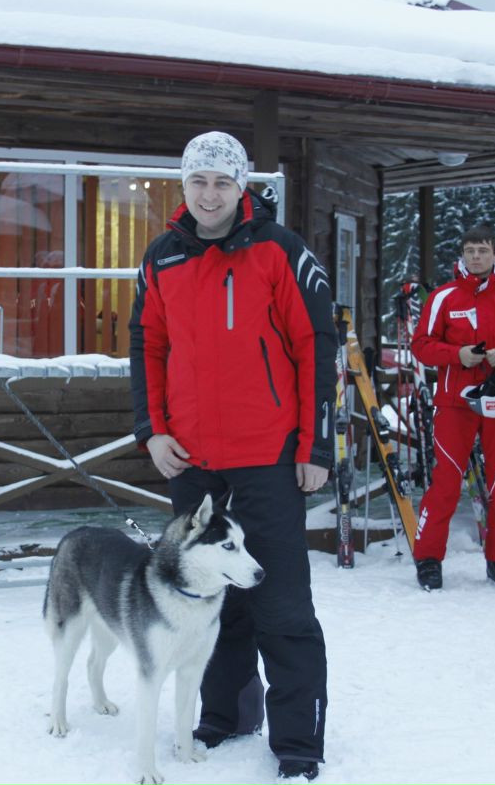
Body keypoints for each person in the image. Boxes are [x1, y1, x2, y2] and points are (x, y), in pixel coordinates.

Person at [129, 131, 334, 781]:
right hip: (193, 463)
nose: (210, 194)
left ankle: (297, 739)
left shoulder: (280, 251)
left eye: (222, 181)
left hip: (268, 456)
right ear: (184, 187)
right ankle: (224, 713)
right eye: (199, 181)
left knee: (280, 601)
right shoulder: (162, 258)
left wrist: (316, 444)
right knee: (205, 595)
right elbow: (146, 346)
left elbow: (316, 345)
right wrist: (152, 430)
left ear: (240, 186)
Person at [410, 225, 495, 591]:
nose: (475, 257)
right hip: (455, 402)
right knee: (445, 484)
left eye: (483, 250)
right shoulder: (444, 297)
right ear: (462, 255)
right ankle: (429, 559)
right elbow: (421, 344)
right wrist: (458, 355)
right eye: (470, 250)